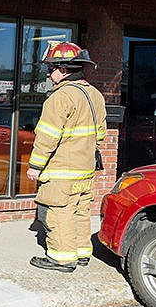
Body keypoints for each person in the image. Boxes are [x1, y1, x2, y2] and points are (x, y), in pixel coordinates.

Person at [27, 42, 106, 273]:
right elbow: (100, 135)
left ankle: (61, 258)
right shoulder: (95, 94)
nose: (49, 75)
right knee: (80, 212)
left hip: (62, 171)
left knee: (59, 213)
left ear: (64, 69)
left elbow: (47, 136)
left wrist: (35, 165)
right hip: (85, 170)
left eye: (50, 69)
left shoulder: (60, 97)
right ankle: (82, 254)